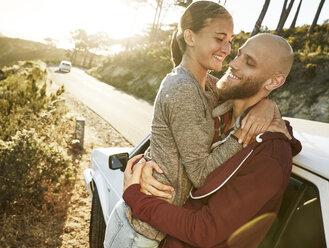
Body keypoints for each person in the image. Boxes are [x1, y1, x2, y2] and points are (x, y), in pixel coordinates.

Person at [104, 2, 287, 247]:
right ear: (190, 37)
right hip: (140, 230)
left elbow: (244, 93)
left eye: (230, 42)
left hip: (153, 227)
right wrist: (240, 135)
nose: (231, 57)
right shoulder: (186, 89)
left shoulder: (210, 89)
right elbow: (198, 171)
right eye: (221, 40)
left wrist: (268, 105)